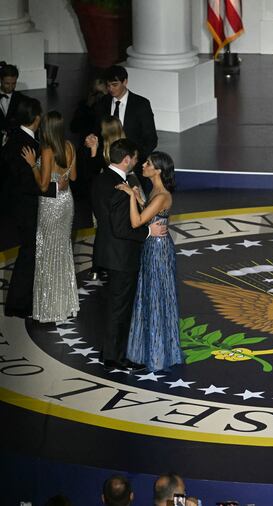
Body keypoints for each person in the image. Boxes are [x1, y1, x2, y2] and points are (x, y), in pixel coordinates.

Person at [91, 139, 166, 370]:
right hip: (122, 258)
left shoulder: (100, 179)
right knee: (120, 309)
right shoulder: (120, 189)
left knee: (115, 307)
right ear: (126, 160)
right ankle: (115, 357)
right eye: (134, 158)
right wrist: (148, 232)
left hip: (107, 253)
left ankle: (110, 352)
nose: (137, 161)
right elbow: (122, 228)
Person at [116, 151, 181, 372]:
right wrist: (141, 198)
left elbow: (137, 222)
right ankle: (151, 351)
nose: (143, 165)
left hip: (158, 252)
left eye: (148, 163)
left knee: (155, 299)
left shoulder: (162, 195)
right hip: (153, 248)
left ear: (158, 170)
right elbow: (151, 215)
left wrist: (132, 197)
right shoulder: (155, 190)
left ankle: (155, 356)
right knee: (150, 297)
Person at [2, 97, 62, 318]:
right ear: (37, 119)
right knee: (28, 254)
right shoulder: (27, 146)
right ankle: (18, 305)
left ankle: (24, 300)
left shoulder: (14, 139)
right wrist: (57, 190)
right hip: (26, 209)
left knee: (30, 254)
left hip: (17, 208)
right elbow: (28, 184)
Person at [23, 111, 80, 322]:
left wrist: (32, 165)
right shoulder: (70, 146)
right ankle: (65, 305)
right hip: (66, 202)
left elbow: (44, 185)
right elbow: (73, 177)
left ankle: (49, 308)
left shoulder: (47, 151)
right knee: (62, 251)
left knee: (47, 253)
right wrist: (61, 177)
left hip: (50, 206)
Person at [94, 65, 157, 184]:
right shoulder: (102, 103)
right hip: (108, 168)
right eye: (108, 85)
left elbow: (151, 139)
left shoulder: (141, 104)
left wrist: (134, 161)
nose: (111, 89)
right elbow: (98, 132)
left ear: (125, 82)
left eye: (115, 84)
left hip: (134, 169)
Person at [85, 116, 126, 280]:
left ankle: (98, 267)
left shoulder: (106, 149)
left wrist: (94, 150)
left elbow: (91, 172)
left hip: (104, 196)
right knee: (110, 229)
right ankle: (103, 265)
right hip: (115, 195)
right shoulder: (124, 147)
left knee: (103, 230)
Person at [0, 63, 27, 145]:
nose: (11, 87)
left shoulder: (21, 99)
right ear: (1, 80)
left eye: (14, 83)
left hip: (14, 142)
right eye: (7, 83)